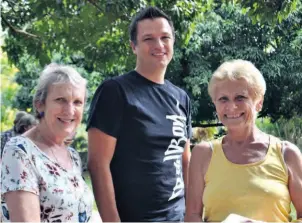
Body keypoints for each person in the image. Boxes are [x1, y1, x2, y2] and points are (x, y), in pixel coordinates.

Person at [87, 6, 192, 222]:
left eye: (165, 37)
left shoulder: (181, 98)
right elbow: (98, 164)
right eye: (148, 39)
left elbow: (185, 160)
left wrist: (193, 214)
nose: (159, 45)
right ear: (133, 46)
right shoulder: (115, 91)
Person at [185, 59, 302, 222]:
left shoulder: (287, 154)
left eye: (240, 97)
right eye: (223, 99)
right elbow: (192, 216)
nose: (231, 107)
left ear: (258, 102)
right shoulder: (203, 154)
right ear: (215, 104)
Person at [1, 64, 94, 222]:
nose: (70, 110)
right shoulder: (20, 152)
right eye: (60, 100)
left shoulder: (72, 156)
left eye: (77, 102)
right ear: (40, 104)